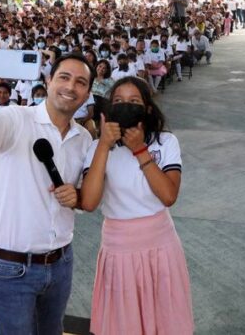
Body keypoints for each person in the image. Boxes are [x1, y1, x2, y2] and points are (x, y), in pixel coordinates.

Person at [0, 48, 93, 335]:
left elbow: (82, 195)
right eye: (64, 77)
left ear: (88, 92)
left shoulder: (84, 138)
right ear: (49, 81)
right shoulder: (16, 120)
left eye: (80, 82)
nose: (71, 87)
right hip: (12, 268)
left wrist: (76, 196)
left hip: (61, 262)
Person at [81, 76, 193, 335]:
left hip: (160, 245)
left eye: (134, 101)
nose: (125, 106)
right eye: (117, 101)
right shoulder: (97, 148)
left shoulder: (165, 143)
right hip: (118, 247)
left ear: (148, 109)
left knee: (164, 319)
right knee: (124, 322)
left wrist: (140, 149)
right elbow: (89, 201)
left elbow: (168, 196)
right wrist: (104, 145)